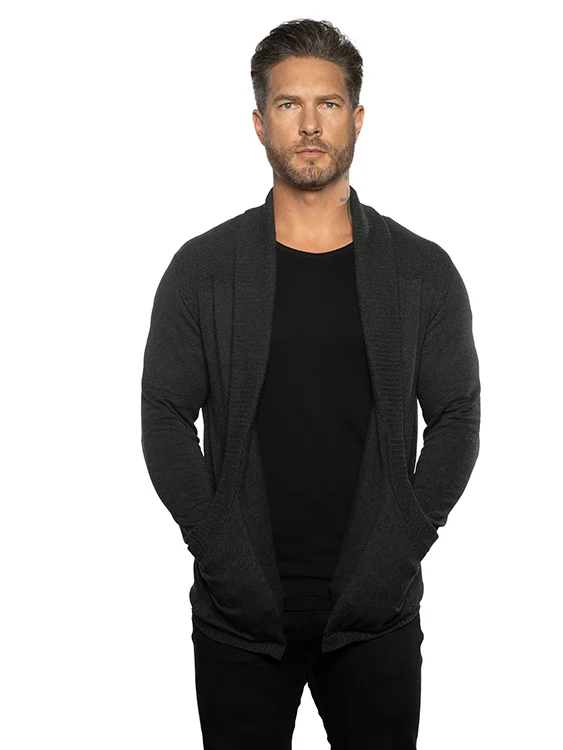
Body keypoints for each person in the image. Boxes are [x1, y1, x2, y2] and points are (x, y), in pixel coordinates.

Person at [141, 17, 481, 750]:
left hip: (376, 614)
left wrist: (399, 550)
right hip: (238, 616)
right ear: (259, 122)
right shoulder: (202, 271)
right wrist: (217, 548)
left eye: (328, 104)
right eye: (289, 104)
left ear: (356, 119)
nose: (309, 125)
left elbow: (456, 417)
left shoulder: (421, 273)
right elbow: (165, 415)